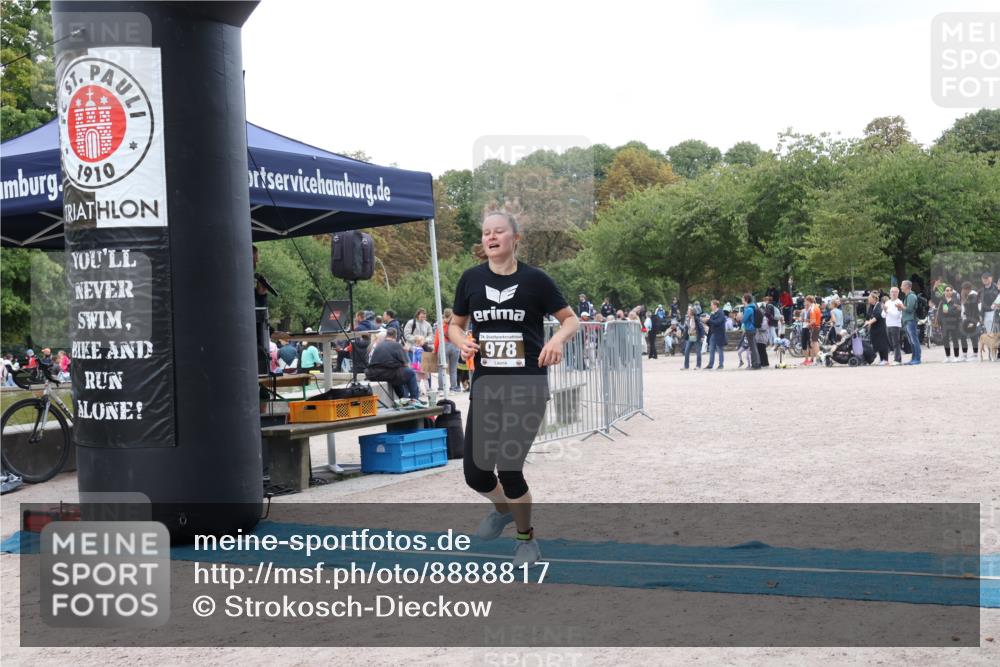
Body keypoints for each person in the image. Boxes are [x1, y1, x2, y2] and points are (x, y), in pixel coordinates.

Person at [449, 210, 579, 568]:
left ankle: (526, 540)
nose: (491, 237)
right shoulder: (471, 279)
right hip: (487, 386)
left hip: (527, 385)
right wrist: (461, 341)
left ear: (515, 238)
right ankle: (504, 509)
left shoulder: (535, 280)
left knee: (508, 468)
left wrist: (557, 340)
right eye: (486, 233)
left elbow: (571, 320)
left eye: (499, 231)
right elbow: (455, 325)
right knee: (476, 474)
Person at [365, 327, 426, 407]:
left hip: (374, 374)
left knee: (398, 376)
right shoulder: (397, 345)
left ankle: (404, 398)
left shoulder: (379, 345)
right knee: (410, 373)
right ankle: (415, 398)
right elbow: (406, 364)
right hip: (388, 372)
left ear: (387, 335)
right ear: (395, 336)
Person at [434, 308, 462, 392]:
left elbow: (437, 339)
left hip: (444, 345)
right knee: (453, 369)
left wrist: (435, 350)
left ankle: (441, 388)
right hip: (455, 346)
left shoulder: (441, 324)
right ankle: (453, 387)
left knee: (441, 368)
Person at [936, 285, 962, 362]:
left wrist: (949, 311)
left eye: (950, 290)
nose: (949, 292)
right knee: (945, 339)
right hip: (944, 323)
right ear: (944, 292)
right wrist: (940, 321)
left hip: (954, 322)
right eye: (947, 290)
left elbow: (958, 311)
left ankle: (956, 356)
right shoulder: (942, 300)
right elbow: (941, 312)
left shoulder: (956, 300)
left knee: (955, 339)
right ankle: (947, 356)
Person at [864, 291, 889, 365]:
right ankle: (881, 359)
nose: (868, 299)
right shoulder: (871, 306)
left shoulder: (879, 305)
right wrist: (866, 323)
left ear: (874, 298)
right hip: (874, 328)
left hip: (881, 327)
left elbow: (877, 316)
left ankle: (885, 359)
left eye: (869, 298)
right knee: (877, 344)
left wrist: (869, 322)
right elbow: (868, 316)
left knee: (882, 343)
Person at [900, 280, 921, 365]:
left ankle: (917, 359)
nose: (901, 287)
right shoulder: (908, 296)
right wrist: (901, 307)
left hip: (911, 320)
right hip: (907, 320)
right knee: (911, 341)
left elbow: (909, 309)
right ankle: (913, 358)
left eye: (902, 285)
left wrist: (901, 306)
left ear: (907, 286)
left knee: (914, 340)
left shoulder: (911, 296)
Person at [958, 283, 979, 361]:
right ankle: (964, 354)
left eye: (963, 289)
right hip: (964, 319)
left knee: (973, 337)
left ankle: (975, 355)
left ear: (968, 289)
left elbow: (974, 310)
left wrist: (972, 322)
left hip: (971, 319)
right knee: (963, 337)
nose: (962, 291)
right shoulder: (966, 296)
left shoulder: (973, 295)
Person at [704, 299, 727, 370]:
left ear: (715, 305)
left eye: (711, 305)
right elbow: (711, 324)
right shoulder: (712, 313)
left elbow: (718, 322)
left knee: (720, 350)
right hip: (713, 334)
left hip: (719, 334)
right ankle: (710, 364)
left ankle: (721, 365)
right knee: (711, 350)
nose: (710, 306)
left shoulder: (721, 313)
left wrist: (709, 320)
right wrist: (706, 321)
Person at [740, 293, 760, 370]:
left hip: (750, 329)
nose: (741, 299)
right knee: (753, 347)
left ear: (746, 299)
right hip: (752, 329)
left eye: (743, 298)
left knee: (752, 347)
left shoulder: (748, 309)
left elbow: (743, 320)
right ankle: (756, 363)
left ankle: (755, 364)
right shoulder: (751, 308)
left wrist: (740, 317)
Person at [884, 286, 904, 365]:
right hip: (888, 324)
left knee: (896, 343)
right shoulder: (887, 302)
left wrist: (887, 310)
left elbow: (897, 315)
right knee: (891, 343)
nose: (893, 293)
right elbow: (883, 315)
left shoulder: (899, 302)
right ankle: (896, 358)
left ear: (898, 293)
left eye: (895, 292)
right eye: (892, 292)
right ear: (889, 293)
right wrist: (885, 311)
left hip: (895, 325)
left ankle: (897, 360)